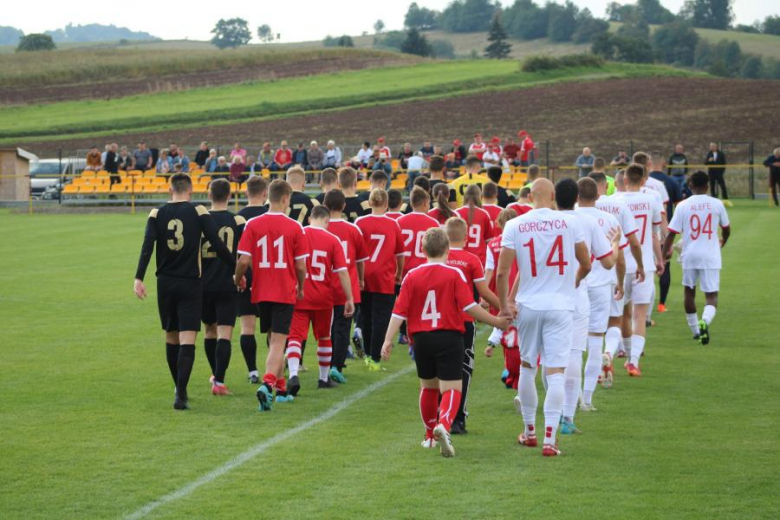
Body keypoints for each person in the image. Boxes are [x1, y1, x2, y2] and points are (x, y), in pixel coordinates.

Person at [381, 227, 509, 457]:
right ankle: (445, 426)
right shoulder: (454, 274)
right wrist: (496, 321)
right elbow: (469, 307)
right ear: (448, 249)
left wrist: (388, 340)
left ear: (422, 249)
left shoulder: (412, 275)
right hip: (449, 336)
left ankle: (430, 435)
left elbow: (399, 312)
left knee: (428, 387)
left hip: (421, 338)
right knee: (452, 388)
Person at [495, 178, 591, 457]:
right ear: (552, 195)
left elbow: (503, 272)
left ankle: (529, 432)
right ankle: (550, 439)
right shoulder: (570, 222)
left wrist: (504, 305)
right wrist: (572, 282)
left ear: (529, 195)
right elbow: (586, 263)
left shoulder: (515, 225)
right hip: (560, 306)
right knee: (556, 371)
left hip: (529, 305)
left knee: (527, 367)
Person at [133, 173, 235, 410]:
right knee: (188, 338)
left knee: (171, 336)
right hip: (191, 282)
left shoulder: (156, 213)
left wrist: (139, 277)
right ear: (189, 191)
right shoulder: (198, 210)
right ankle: (180, 393)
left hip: (165, 283)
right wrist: (235, 270)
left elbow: (147, 246)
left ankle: (180, 389)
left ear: (171, 190)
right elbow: (217, 243)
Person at [235, 180, 308, 411]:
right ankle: (267, 385)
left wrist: (238, 279)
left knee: (272, 339)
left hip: (261, 290)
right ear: (286, 199)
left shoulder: (252, 224)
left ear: (269, 196)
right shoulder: (295, 226)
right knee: (278, 341)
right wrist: (301, 285)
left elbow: (244, 260)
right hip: (283, 289)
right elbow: (300, 266)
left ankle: (282, 388)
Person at [555, 178, 617, 434]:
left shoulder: (550, 220)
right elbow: (610, 261)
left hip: (555, 292)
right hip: (590, 287)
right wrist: (615, 243)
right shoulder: (595, 221)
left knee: (548, 356)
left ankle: (546, 416)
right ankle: (580, 404)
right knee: (585, 346)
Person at [286, 205, 355, 395]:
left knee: (295, 337)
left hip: (299, 294)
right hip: (323, 297)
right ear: (327, 221)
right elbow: (342, 272)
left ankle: (292, 373)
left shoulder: (298, 234)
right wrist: (349, 298)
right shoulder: (333, 240)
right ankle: (323, 378)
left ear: (309, 218)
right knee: (324, 337)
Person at [444, 217, 501, 435]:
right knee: (463, 369)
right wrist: (502, 309)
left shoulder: (439, 258)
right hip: (465, 322)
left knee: (441, 371)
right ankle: (458, 419)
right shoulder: (471, 260)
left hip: (439, 322)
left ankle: (442, 415)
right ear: (466, 237)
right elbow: (484, 292)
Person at [663, 171, 731, 345]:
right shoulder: (717, 204)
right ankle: (705, 321)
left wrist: (662, 257)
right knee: (711, 295)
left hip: (690, 254)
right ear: (707, 186)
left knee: (689, 291)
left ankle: (695, 331)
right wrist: (723, 240)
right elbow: (726, 228)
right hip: (710, 254)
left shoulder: (683, 206)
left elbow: (671, 234)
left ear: (690, 186)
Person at [589, 171, 644, 383]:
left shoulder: (575, 212)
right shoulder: (617, 209)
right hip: (608, 275)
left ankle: (591, 370)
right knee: (616, 319)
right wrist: (622, 281)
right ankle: (609, 354)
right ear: (606, 186)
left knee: (588, 329)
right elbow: (628, 245)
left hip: (583, 279)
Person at [574, 178, 624, 412]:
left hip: (574, 283)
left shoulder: (569, 216)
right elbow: (616, 258)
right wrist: (620, 282)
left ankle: (570, 394)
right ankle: (587, 398)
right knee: (595, 340)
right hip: (601, 284)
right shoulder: (609, 219)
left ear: (576, 196)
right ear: (598, 197)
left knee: (571, 343)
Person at [616, 164, 664, 378]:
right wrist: (660, 259)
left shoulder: (614, 201)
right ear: (643, 180)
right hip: (643, 263)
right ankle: (633, 361)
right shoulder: (651, 200)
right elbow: (654, 234)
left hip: (619, 264)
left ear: (625, 180)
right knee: (640, 314)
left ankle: (622, 351)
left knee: (622, 313)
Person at [199, 179, 246, 396]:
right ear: (229, 196)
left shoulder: (200, 220)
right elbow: (243, 255)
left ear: (209, 195)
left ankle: (214, 374)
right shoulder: (237, 220)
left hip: (204, 283)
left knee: (209, 330)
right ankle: (219, 380)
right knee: (225, 333)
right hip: (228, 281)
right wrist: (241, 276)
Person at [355, 189, 405, 371]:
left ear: (370, 202)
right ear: (386, 204)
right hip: (384, 277)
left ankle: (369, 355)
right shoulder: (393, 224)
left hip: (364, 275)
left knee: (366, 317)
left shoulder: (360, 222)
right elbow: (400, 254)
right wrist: (399, 273)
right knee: (380, 319)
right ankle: (375, 358)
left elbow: (355, 250)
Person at [324, 190, 368, 380]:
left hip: (323, 284)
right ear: (343, 206)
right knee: (342, 328)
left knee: (327, 328)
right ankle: (337, 366)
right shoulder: (353, 229)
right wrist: (361, 278)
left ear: (325, 205)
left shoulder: (319, 228)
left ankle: (325, 365)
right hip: (345, 285)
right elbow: (360, 259)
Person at [236, 176, 269, 384]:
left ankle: (253, 371)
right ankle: (273, 368)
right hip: (271, 276)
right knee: (274, 327)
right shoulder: (272, 215)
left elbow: (237, 254)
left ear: (246, 193)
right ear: (265, 193)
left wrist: (237, 277)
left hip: (247, 277)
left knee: (247, 327)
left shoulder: (238, 218)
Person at [483, 208, 519, 387]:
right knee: (518, 330)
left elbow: (489, 269)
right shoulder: (523, 241)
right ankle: (515, 367)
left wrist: (483, 292)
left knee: (503, 326)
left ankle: (509, 366)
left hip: (500, 292)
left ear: (499, 223)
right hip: (520, 289)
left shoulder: (493, 245)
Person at [649, 154, 683, 313]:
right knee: (665, 267)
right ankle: (662, 304)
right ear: (663, 163)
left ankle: (641, 305)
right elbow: (679, 206)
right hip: (663, 230)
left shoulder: (639, 182)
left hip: (642, 231)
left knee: (644, 266)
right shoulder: (670, 182)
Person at [455, 184, 493, 266]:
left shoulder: (457, 213)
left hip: (460, 258)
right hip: (479, 257)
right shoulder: (484, 213)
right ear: (479, 196)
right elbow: (489, 240)